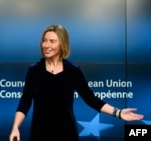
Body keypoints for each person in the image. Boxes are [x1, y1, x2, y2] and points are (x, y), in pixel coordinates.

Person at [9, 24, 144, 141]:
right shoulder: (34, 71)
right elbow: (24, 103)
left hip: (67, 134)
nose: (46, 45)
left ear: (62, 44)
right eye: (44, 41)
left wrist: (119, 113)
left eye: (52, 41)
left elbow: (92, 100)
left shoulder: (73, 71)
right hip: (40, 134)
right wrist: (15, 128)